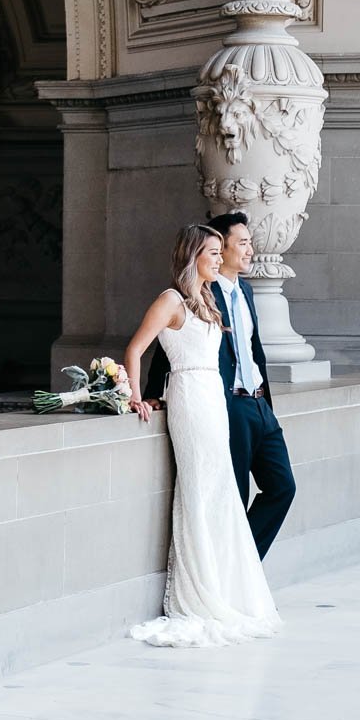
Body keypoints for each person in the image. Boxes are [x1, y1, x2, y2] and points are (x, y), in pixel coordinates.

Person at [123, 223, 281, 648]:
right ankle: (200, 589)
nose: (218, 258)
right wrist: (140, 397)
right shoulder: (170, 300)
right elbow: (137, 349)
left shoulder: (207, 299)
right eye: (212, 252)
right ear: (193, 255)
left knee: (221, 490)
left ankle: (225, 584)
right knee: (198, 490)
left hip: (214, 397)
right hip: (190, 399)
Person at [144, 211, 296, 561]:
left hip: (259, 405)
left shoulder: (246, 291)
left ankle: (244, 569)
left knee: (282, 486)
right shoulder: (200, 292)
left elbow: (254, 351)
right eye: (242, 243)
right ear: (220, 249)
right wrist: (153, 393)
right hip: (227, 407)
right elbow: (171, 344)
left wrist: (267, 404)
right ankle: (231, 581)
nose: (250, 250)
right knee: (234, 496)